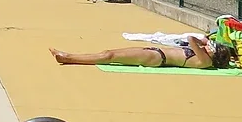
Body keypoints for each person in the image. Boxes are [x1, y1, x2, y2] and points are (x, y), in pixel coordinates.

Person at [50, 36, 231, 69]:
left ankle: (68, 58)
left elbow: (192, 39)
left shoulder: (205, 61)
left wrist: (205, 41)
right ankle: (69, 55)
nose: (208, 47)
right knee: (108, 53)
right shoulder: (205, 58)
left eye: (212, 48)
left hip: (156, 57)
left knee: (109, 57)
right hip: (156, 53)